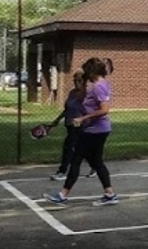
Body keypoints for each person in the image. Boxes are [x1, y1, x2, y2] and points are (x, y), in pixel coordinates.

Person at [44, 57, 118, 207]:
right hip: (96, 129)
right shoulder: (100, 83)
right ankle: (109, 194)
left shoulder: (98, 87)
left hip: (95, 130)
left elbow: (104, 110)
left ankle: (62, 195)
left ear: (92, 71)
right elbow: (82, 96)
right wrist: (83, 82)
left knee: (76, 159)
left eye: (86, 71)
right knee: (96, 162)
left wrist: (83, 118)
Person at [49, 71, 89, 181]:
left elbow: (90, 111)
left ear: (84, 81)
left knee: (68, 147)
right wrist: (57, 120)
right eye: (75, 80)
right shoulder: (72, 93)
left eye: (79, 80)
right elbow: (67, 109)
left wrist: (83, 120)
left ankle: (62, 171)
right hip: (69, 124)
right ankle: (95, 166)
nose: (76, 83)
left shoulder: (86, 94)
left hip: (79, 125)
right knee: (81, 148)